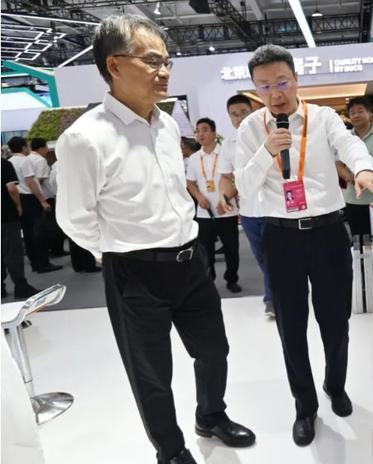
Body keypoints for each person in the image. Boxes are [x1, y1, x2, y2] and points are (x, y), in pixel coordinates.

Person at [55, 15, 255, 464]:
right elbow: (73, 217)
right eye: (151, 61)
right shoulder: (85, 139)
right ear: (114, 65)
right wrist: (115, 250)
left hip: (191, 261)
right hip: (135, 273)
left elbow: (173, 189)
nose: (164, 71)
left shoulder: (166, 126)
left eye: (167, 61)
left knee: (214, 350)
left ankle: (211, 415)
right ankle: (170, 449)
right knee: (151, 374)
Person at [234, 44, 373, 447]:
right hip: (280, 235)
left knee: (336, 321)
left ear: (296, 79)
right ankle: (304, 406)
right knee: (291, 327)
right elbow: (244, 185)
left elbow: (349, 145)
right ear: (255, 88)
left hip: (327, 232)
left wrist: (362, 168)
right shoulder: (251, 128)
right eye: (264, 86)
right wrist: (266, 152)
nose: (275, 93)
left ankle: (335, 385)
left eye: (282, 82)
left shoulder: (323, 118)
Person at [217, 95, 276, 316]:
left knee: (274, 256)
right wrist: (224, 196)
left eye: (243, 112)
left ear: (253, 111)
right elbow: (226, 176)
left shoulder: (270, 136)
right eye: (234, 114)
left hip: (276, 208)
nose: (239, 118)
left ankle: (272, 298)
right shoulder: (229, 145)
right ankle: (278, 291)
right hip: (250, 211)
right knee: (262, 257)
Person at [186, 117, 241, 293]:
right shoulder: (194, 158)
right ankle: (209, 281)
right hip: (204, 213)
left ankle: (231, 279)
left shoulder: (226, 153)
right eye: (197, 131)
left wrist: (226, 199)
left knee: (231, 248)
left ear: (214, 133)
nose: (200, 134)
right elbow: (190, 183)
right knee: (206, 250)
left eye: (204, 130)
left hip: (227, 211)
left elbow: (237, 179)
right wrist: (199, 197)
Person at [337, 97, 373, 236]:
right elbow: (339, 165)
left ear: (370, 114)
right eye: (352, 113)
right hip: (353, 198)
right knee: (357, 237)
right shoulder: (346, 137)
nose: (356, 115)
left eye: (360, 111)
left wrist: (368, 176)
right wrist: (349, 176)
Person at [7, 137, 60, 273]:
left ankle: (35, 263)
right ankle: (43, 263)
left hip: (19, 198)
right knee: (39, 232)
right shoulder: (25, 161)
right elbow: (30, 182)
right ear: (23, 147)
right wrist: (42, 200)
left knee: (28, 233)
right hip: (30, 198)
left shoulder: (10, 161)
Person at [2, 158, 39, 299]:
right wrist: (18, 205)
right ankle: (21, 286)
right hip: (6, 215)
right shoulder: (4, 164)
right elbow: (11, 188)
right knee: (13, 251)